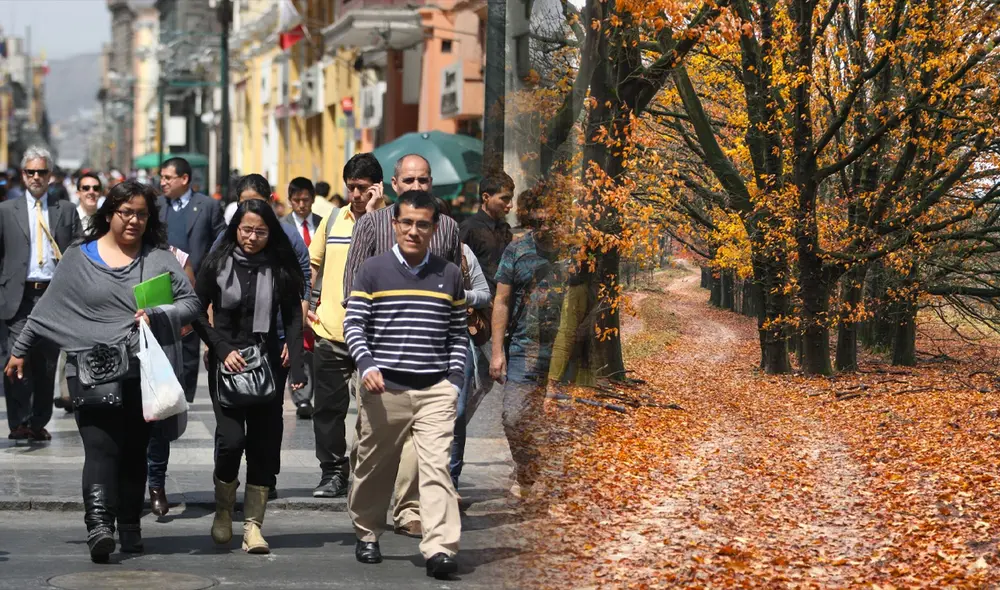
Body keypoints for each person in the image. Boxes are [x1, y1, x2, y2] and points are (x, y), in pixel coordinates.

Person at [4, 180, 200, 562]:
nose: (134, 220)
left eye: (141, 213)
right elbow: (47, 310)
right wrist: (19, 351)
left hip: (142, 373)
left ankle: (130, 524)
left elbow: (191, 302)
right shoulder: (78, 256)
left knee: (134, 450)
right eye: (126, 212)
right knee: (100, 448)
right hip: (91, 369)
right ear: (109, 214)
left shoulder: (158, 258)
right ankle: (99, 526)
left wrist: (161, 313)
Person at [345, 189, 465, 579]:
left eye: (423, 225)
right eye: (407, 222)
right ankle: (366, 532)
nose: (414, 231)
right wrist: (365, 364)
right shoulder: (373, 270)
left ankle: (440, 548)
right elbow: (355, 324)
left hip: (435, 391)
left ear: (434, 228)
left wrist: (454, 381)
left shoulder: (449, 274)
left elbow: (458, 333)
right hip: (384, 389)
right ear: (395, 223)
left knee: (436, 469)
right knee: (374, 466)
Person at [193, 198, 306, 555]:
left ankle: (253, 526)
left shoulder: (279, 267)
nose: (252, 237)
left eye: (260, 231)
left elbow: (291, 316)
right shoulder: (218, 262)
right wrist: (221, 348)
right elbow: (196, 310)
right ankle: (224, 510)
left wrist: (298, 362)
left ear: (269, 232)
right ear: (235, 230)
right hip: (226, 362)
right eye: (246, 230)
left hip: (267, 363)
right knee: (230, 440)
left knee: (264, 445)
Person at [151, 156, 226, 516]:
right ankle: (151, 483)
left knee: (178, 387)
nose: (162, 183)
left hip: (192, 297)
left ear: (185, 178)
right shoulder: (155, 207)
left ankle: (155, 478)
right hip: (151, 312)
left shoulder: (207, 207)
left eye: (168, 177)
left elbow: (215, 250)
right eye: (160, 178)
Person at [307, 153, 380, 499]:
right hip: (331, 332)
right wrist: (307, 304)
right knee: (328, 410)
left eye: (363, 188)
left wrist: (379, 215)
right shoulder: (333, 219)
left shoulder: (393, 223)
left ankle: (368, 472)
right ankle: (332, 471)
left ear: (377, 188)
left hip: (376, 338)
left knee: (375, 411)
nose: (355, 195)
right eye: (351, 187)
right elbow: (312, 264)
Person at [0, 146, 82, 441]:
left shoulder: (66, 210)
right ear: (22, 175)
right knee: (16, 358)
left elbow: (78, 253)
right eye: (30, 172)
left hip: (52, 297)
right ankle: (19, 421)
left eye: (42, 172)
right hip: (18, 298)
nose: (36, 177)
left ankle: (38, 421)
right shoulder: (6, 211)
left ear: (51, 175)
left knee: (47, 363)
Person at [490, 186, 568, 490]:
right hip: (525, 348)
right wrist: (498, 352)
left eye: (551, 220)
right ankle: (527, 467)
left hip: (568, 350)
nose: (545, 227)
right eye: (537, 221)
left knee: (560, 421)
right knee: (513, 417)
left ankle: (557, 485)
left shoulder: (576, 251)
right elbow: (502, 301)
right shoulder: (517, 250)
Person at [281, 177, 322, 418]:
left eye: (305, 200)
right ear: (290, 201)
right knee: (297, 341)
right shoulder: (281, 226)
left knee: (316, 344)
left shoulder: (322, 224)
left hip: (319, 291)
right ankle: (302, 396)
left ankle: (313, 390)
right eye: (296, 200)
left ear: (313, 199)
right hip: (293, 290)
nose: (301, 205)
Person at [460, 171, 515, 295]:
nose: (510, 205)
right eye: (504, 199)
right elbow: (457, 268)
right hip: (479, 304)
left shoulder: (505, 228)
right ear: (486, 197)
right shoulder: (469, 228)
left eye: (511, 199)